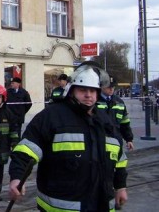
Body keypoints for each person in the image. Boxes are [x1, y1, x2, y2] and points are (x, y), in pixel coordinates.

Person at [9, 63, 128, 211]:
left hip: (101, 204)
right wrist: (17, 177)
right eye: (82, 90)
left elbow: (119, 158)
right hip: (61, 206)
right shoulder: (51, 116)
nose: (88, 95)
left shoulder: (105, 121)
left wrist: (120, 186)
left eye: (93, 90)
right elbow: (26, 149)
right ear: (71, 91)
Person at [98, 75, 135, 151]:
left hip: (116, 141)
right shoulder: (94, 101)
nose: (111, 89)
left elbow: (124, 123)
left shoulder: (119, 102)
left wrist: (129, 139)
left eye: (113, 86)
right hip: (99, 142)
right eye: (108, 86)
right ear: (101, 86)